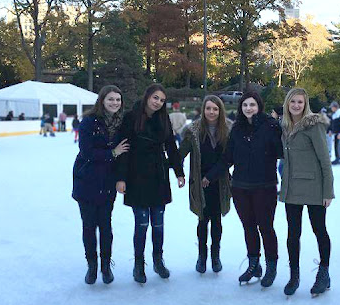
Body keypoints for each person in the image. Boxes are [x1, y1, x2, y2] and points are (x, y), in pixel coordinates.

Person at [207, 91, 282, 287]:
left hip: (264, 186)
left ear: (259, 106)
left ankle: (271, 266)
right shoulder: (237, 129)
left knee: (265, 227)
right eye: (245, 105)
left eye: (252, 105)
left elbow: (281, 152)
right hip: (240, 187)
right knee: (248, 227)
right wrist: (209, 176)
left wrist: (278, 126)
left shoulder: (270, 126)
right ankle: (253, 264)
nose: (249, 108)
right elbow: (227, 158)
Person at [116, 84, 185, 284]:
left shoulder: (164, 119)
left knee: (158, 223)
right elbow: (124, 149)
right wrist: (120, 178)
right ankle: (139, 264)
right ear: (147, 97)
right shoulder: (131, 117)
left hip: (158, 176)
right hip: (136, 176)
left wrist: (179, 172)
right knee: (142, 223)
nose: (158, 102)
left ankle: (158, 260)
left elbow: (171, 147)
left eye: (162, 100)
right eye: (155, 98)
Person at [279, 88, 334, 296]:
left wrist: (328, 190)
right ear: (287, 104)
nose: (296, 106)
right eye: (292, 102)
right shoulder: (284, 126)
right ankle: (294, 275)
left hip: (314, 188)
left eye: (300, 102)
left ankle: (324, 273)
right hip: (292, 188)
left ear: (305, 104)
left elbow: (325, 159)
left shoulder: (314, 125)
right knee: (293, 234)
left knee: (319, 230)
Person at [72, 86, 129, 285]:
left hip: (107, 182)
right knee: (89, 226)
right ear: (102, 100)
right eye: (111, 99)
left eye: (118, 100)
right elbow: (86, 152)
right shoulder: (89, 122)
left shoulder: (121, 124)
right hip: (87, 180)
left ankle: (105, 265)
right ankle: (92, 266)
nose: (115, 103)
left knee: (105, 225)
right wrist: (112, 153)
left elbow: (125, 154)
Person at [179, 95, 232, 274]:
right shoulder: (193, 131)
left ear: (220, 111)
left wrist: (211, 176)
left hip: (219, 183)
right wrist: (175, 170)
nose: (211, 112)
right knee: (202, 220)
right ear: (203, 110)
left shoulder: (228, 130)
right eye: (208, 108)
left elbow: (229, 158)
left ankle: (215, 256)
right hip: (199, 184)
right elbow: (180, 154)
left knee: (216, 220)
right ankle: (202, 256)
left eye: (215, 109)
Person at [329, 101, 340, 165]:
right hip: (336, 133)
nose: (331, 109)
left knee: (338, 146)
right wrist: (330, 130)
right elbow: (332, 124)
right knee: (336, 145)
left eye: (332, 107)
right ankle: (337, 158)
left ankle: (338, 159)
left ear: (335, 107)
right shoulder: (335, 114)